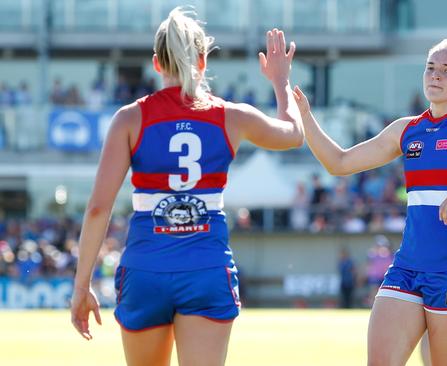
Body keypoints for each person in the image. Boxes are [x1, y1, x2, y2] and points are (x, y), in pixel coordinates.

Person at [70, 8, 303, 366]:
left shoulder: (130, 118)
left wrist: (82, 284)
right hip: (206, 270)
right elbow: (293, 134)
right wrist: (280, 82)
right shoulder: (230, 116)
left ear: (156, 63)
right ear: (203, 59)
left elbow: (98, 208)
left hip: (145, 270)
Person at [293, 38, 447, 365]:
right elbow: (339, 163)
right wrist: (306, 115)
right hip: (407, 267)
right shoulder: (406, 130)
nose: (435, 76)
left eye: (446, 71)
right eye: (430, 68)